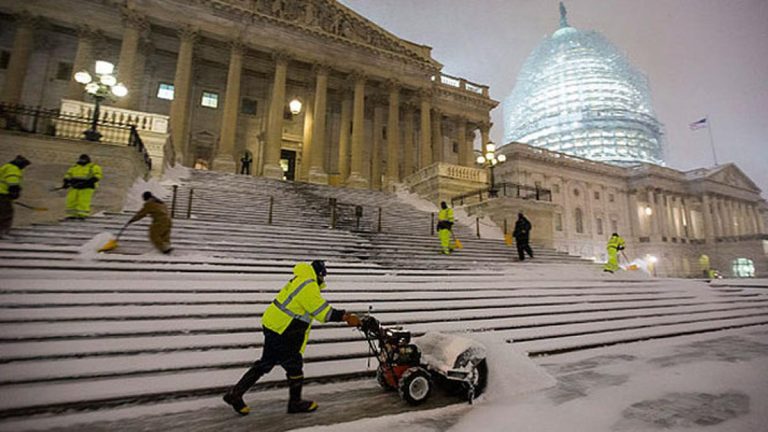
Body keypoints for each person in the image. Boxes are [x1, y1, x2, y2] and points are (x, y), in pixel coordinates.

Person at [223, 260, 360, 416]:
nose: (323, 280)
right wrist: (345, 317)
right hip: (284, 330)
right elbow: (322, 312)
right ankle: (295, 403)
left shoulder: (300, 279)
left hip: (275, 326)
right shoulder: (308, 285)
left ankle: (235, 394)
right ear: (319, 274)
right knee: (294, 365)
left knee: (265, 363)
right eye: (323, 276)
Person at [62, 154, 103, 219]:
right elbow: (68, 175)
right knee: (71, 200)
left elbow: (97, 176)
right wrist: (66, 182)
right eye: (81, 159)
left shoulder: (93, 167)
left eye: (84, 159)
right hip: (75, 186)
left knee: (83, 201)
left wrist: (87, 182)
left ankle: (82, 215)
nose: (82, 161)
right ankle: (71, 215)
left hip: (87, 186)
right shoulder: (74, 167)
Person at [0, 155, 31, 238]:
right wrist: (14, 191)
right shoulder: (13, 168)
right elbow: (12, 180)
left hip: (2, 193)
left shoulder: (6, 166)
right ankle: (2, 232)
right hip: (3, 194)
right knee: (6, 213)